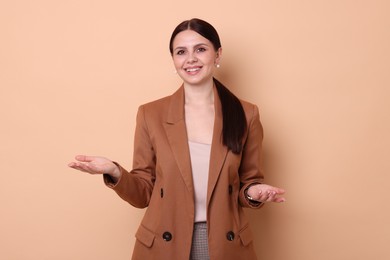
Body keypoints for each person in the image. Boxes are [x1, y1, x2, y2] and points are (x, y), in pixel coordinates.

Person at [68, 18, 286, 260]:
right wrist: (114, 171)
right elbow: (143, 193)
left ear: (217, 54)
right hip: (164, 243)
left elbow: (248, 182)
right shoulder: (150, 114)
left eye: (200, 49)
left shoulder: (247, 114)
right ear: (173, 60)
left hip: (224, 244)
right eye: (181, 52)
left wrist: (254, 192)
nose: (190, 59)